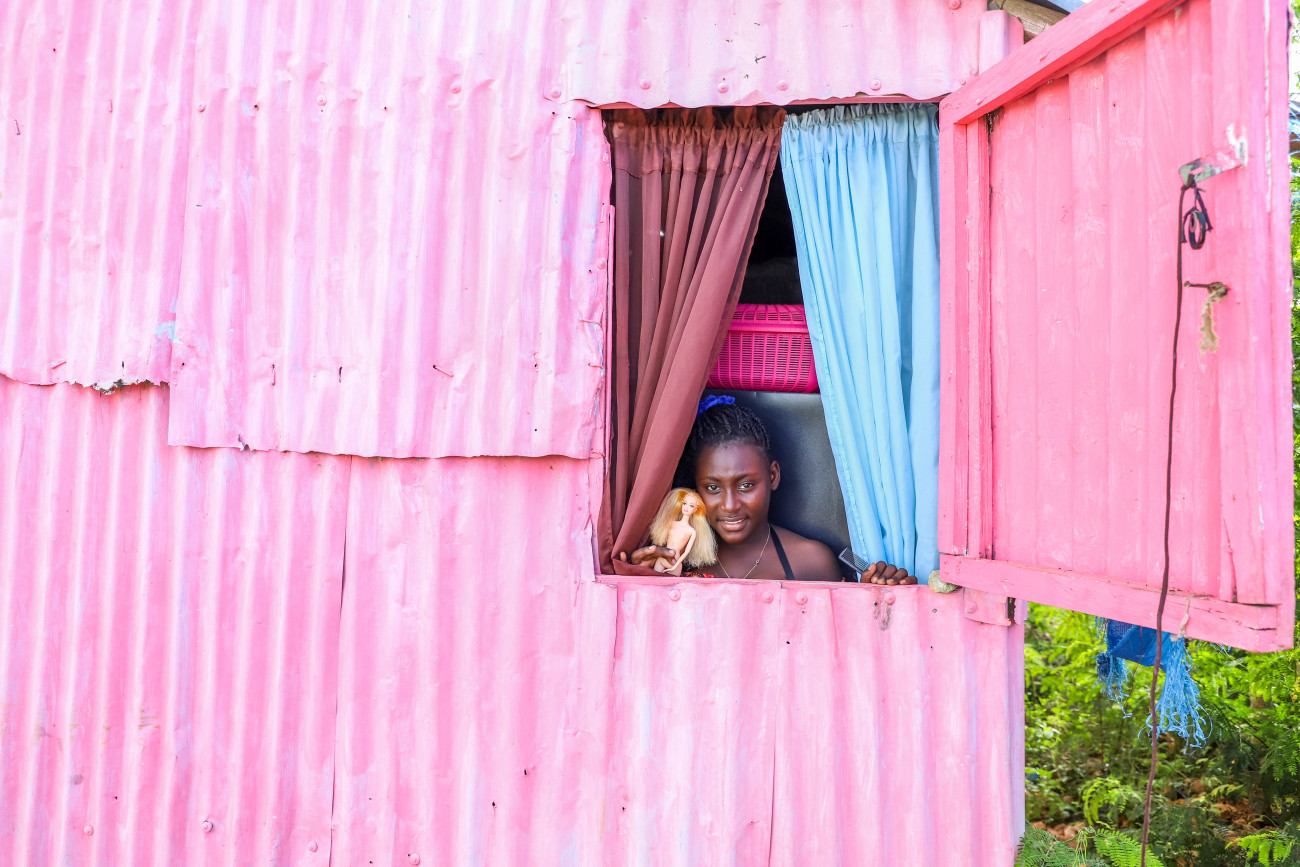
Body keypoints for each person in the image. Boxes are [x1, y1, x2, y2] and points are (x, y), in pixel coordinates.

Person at [619, 398, 918, 584]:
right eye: (712, 488)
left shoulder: (812, 561)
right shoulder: (675, 559)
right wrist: (643, 583)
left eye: (746, 485)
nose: (730, 505)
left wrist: (873, 600)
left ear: (773, 476)